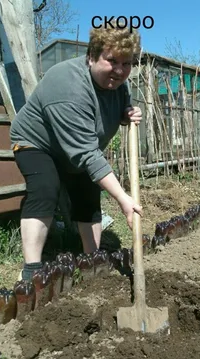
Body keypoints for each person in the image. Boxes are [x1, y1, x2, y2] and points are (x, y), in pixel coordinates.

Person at [10, 22, 143, 282]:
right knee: (45, 189)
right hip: (38, 143)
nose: (119, 70)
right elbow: (86, 153)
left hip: (77, 147)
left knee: (88, 194)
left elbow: (115, 109)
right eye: (112, 60)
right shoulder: (67, 85)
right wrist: (123, 199)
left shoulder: (117, 85)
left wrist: (127, 114)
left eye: (126, 64)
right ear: (91, 56)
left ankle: (90, 258)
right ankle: (32, 270)